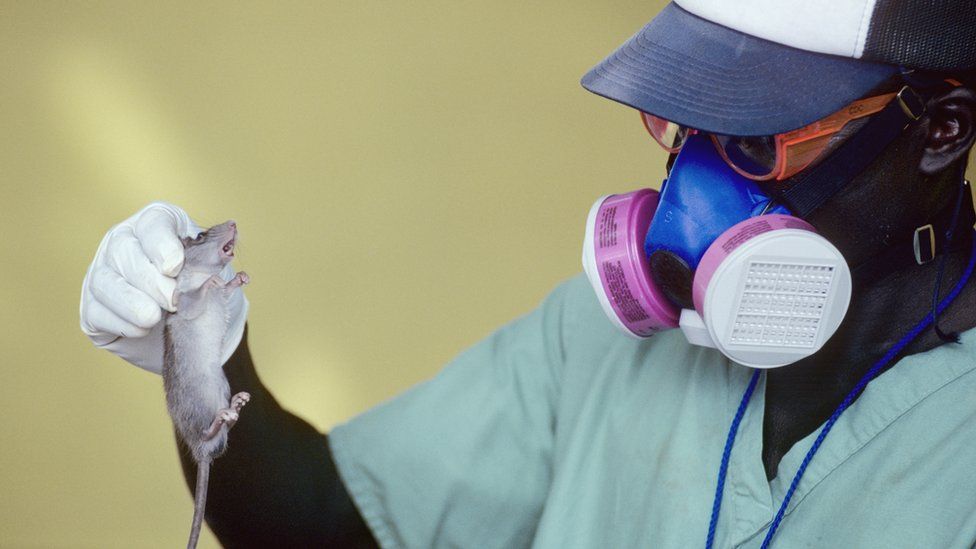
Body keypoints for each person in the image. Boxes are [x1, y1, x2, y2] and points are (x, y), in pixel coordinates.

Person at [81, 0, 976, 547]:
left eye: (751, 142)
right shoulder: (602, 339)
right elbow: (327, 529)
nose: (686, 201)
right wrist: (201, 359)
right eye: (679, 126)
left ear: (938, 129)